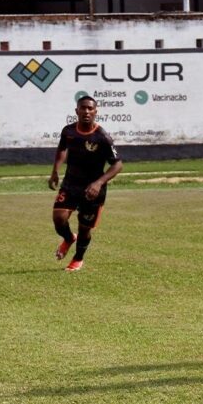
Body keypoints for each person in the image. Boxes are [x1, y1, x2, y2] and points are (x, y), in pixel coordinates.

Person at [48, 96, 123, 272]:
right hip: (70, 184)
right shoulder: (68, 131)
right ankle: (68, 238)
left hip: (92, 190)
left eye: (90, 109)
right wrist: (55, 171)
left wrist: (99, 183)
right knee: (59, 219)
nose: (86, 111)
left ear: (96, 112)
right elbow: (61, 149)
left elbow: (118, 164)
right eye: (83, 108)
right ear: (77, 111)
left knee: (84, 228)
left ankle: (78, 258)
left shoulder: (102, 137)